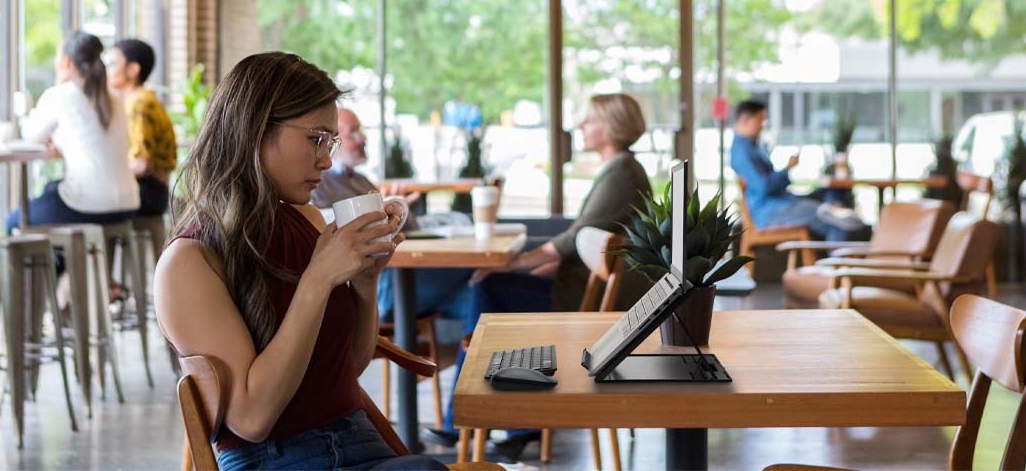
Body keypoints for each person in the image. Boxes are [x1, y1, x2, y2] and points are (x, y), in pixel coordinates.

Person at [154, 53, 445, 471]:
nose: (326, 161)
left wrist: (365, 283)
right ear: (256, 128)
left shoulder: (305, 220)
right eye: (315, 139)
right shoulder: (190, 260)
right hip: (277, 459)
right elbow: (252, 419)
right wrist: (318, 279)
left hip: (362, 442)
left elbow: (347, 368)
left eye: (331, 143)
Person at [425, 93, 653, 457]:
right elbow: (581, 238)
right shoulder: (621, 168)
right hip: (584, 289)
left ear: (611, 126)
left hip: (588, 302)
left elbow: (572, 238)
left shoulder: (622, 171)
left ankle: (481, 420)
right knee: (497, 299)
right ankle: (508, 423)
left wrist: (515, 263)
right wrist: (542, 263)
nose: (581, 126)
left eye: (590, 120)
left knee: (491, 286)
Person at [311, 108, 471, 324]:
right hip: (383, 287)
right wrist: (382, 212)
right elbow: (325, 229)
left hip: (394, 279)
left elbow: (409, 230)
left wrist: (399, 209)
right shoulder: (317, 185)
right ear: (332, 141)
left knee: (478, 295)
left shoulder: (360, 180)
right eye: (353, 132)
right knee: (471, 267)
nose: (363, 138)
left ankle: (467, 357)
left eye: (361, 131)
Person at [7, 31, 140, 251]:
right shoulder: (116, 99)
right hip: (128, 202)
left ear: (67, 62)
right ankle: (68, 283)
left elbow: (31, 138)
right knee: (52, 190)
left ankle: (56, 283)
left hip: (89, 204)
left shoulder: (60, 95)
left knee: (13, 222)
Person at [729, 99, 867, 241]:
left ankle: (833, 211)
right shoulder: (742, 151)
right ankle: (832, 218)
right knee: (832, 221)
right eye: (760, 120)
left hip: (783, 202)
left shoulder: (753, 147)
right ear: (745, 119)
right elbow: (764, 186)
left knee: (828, 195)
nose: (762, 126)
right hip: (771, 211)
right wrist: (787, 168)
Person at [105, 38, 177, 218]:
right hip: (157, 193)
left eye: (112, 64)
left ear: (133, 69)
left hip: (147, 193)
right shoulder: (145, 99)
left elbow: (142, 165)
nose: (107, 70)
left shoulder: (138, 103)